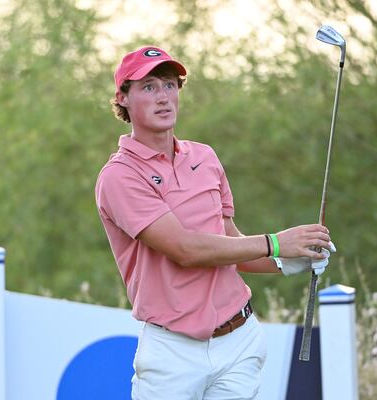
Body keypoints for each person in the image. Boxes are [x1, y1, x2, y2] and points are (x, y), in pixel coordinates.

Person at [95, 46, 335, 400]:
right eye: (148, 87)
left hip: (238, 341)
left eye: (170, 85)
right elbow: (185, 250)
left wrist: (291, 260)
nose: (163, 97)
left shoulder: (204, 156)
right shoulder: (120, 176)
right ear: (123, 98)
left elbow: (231, 245)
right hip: (173, 352)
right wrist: (277, 242)